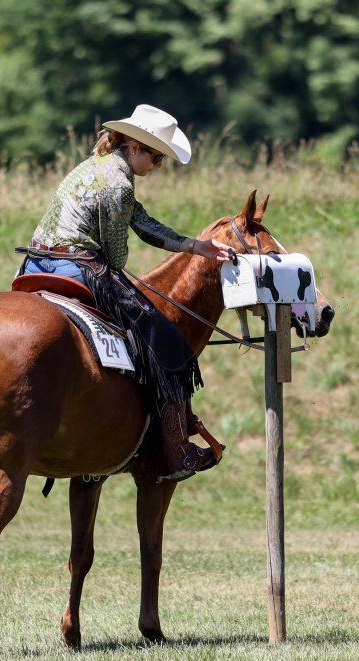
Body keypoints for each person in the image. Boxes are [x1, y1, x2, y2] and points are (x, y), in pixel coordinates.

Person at [19, 104, 231, 480]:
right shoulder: (118, 184)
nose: (159, 166)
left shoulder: (95, 166)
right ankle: (177, 449)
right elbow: (116, 257)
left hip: (35, 264)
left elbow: (143, 222)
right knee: (170, 346)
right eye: (157, 156)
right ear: (135, 146)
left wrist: (195, 247)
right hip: (79, 268)